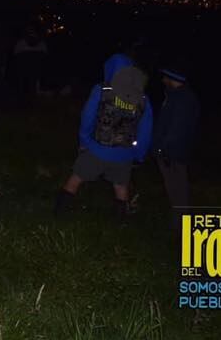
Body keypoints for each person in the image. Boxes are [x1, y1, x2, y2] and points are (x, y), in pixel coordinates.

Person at [55, 54, 152, 222]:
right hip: (124, 154)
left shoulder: (101, 90)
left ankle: (59, 214)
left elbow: (87, 117)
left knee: (76, 178)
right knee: (121, 187)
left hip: (96, 149)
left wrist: (85, 141)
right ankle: (119, 223)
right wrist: (139, 154)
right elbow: (145, 130)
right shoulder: (142, 98)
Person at [152, 61, 200, 210]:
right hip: (172, 151)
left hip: (172, 153)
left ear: (172, 78)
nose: (163, 80)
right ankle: (178, 216)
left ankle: (181, 219)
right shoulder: (176, 96)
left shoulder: (182, 98)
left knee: (177, 188)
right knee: (174, 187)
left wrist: (162, 149)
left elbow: (177, 128)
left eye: (165, 77)